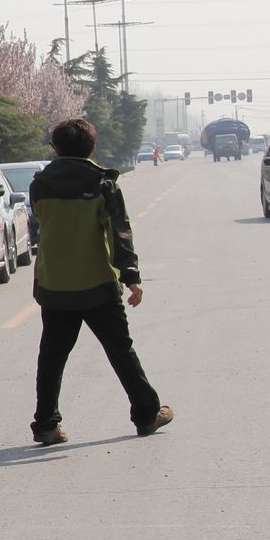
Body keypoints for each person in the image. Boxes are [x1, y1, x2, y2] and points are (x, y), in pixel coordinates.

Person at [28, 118, 172, 445]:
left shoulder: (40, 185)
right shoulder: (103, 184)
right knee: (121, 351)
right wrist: (131, 277)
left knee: (52, 356)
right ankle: (147, 414)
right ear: (93, 148)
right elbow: (119, 232)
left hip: (54, 285)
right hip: (97, 284)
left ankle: (46, 424)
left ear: (56, 148)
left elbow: (41, 223)